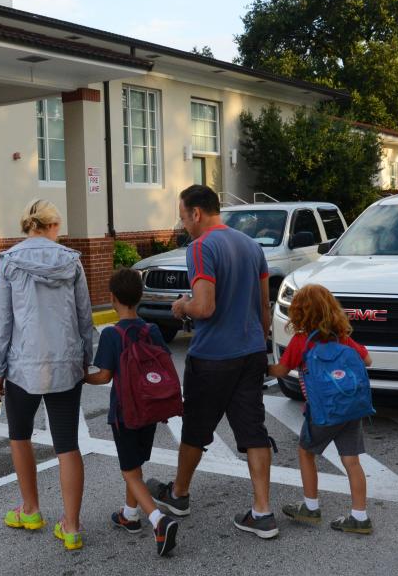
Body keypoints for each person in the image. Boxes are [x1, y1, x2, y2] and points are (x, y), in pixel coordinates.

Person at [146, 185, 278, 539]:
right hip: (250, 352)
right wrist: (261, 345)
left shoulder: (201, 247)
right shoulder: (252, 246)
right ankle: (262, 512)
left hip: (213, 357)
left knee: (196, 429)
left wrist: (180, 306)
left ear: (197, 214)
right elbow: (263, 305)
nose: (183, 222)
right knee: (253, 431)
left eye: (183, 215)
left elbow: (204, 307)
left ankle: (179, 495)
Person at [0, 200, 95, 550]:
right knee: (68, 445)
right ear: (52, 226)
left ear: (28, 226)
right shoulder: (72, 261)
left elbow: (1, 323)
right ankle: (72, 526)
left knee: (20, 436)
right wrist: (85, 358)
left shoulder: (7, 262)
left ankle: (31, 509)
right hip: (66, 363)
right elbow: (84, 317)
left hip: (22, 366)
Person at [84, 268, 181, 556]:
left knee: (129, 471)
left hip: (125, 412)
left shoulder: (113, 334)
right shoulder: (150, 329)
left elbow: (103, 376)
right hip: (151, 408)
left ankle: (158, 520)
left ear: (112, 298)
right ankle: (130, 514)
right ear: (139, 297)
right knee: (135, 465)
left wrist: (82, 377)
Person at [267, 284, 374, 534]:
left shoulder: (301, 341)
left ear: (300, 313)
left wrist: (259, 368)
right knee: (351, 461)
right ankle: (360, 517)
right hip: (351, 408)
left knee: (306, 453)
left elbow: (281, 371)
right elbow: (367, 360)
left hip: (322, 412)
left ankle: (311, 506)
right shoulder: (343, 339)